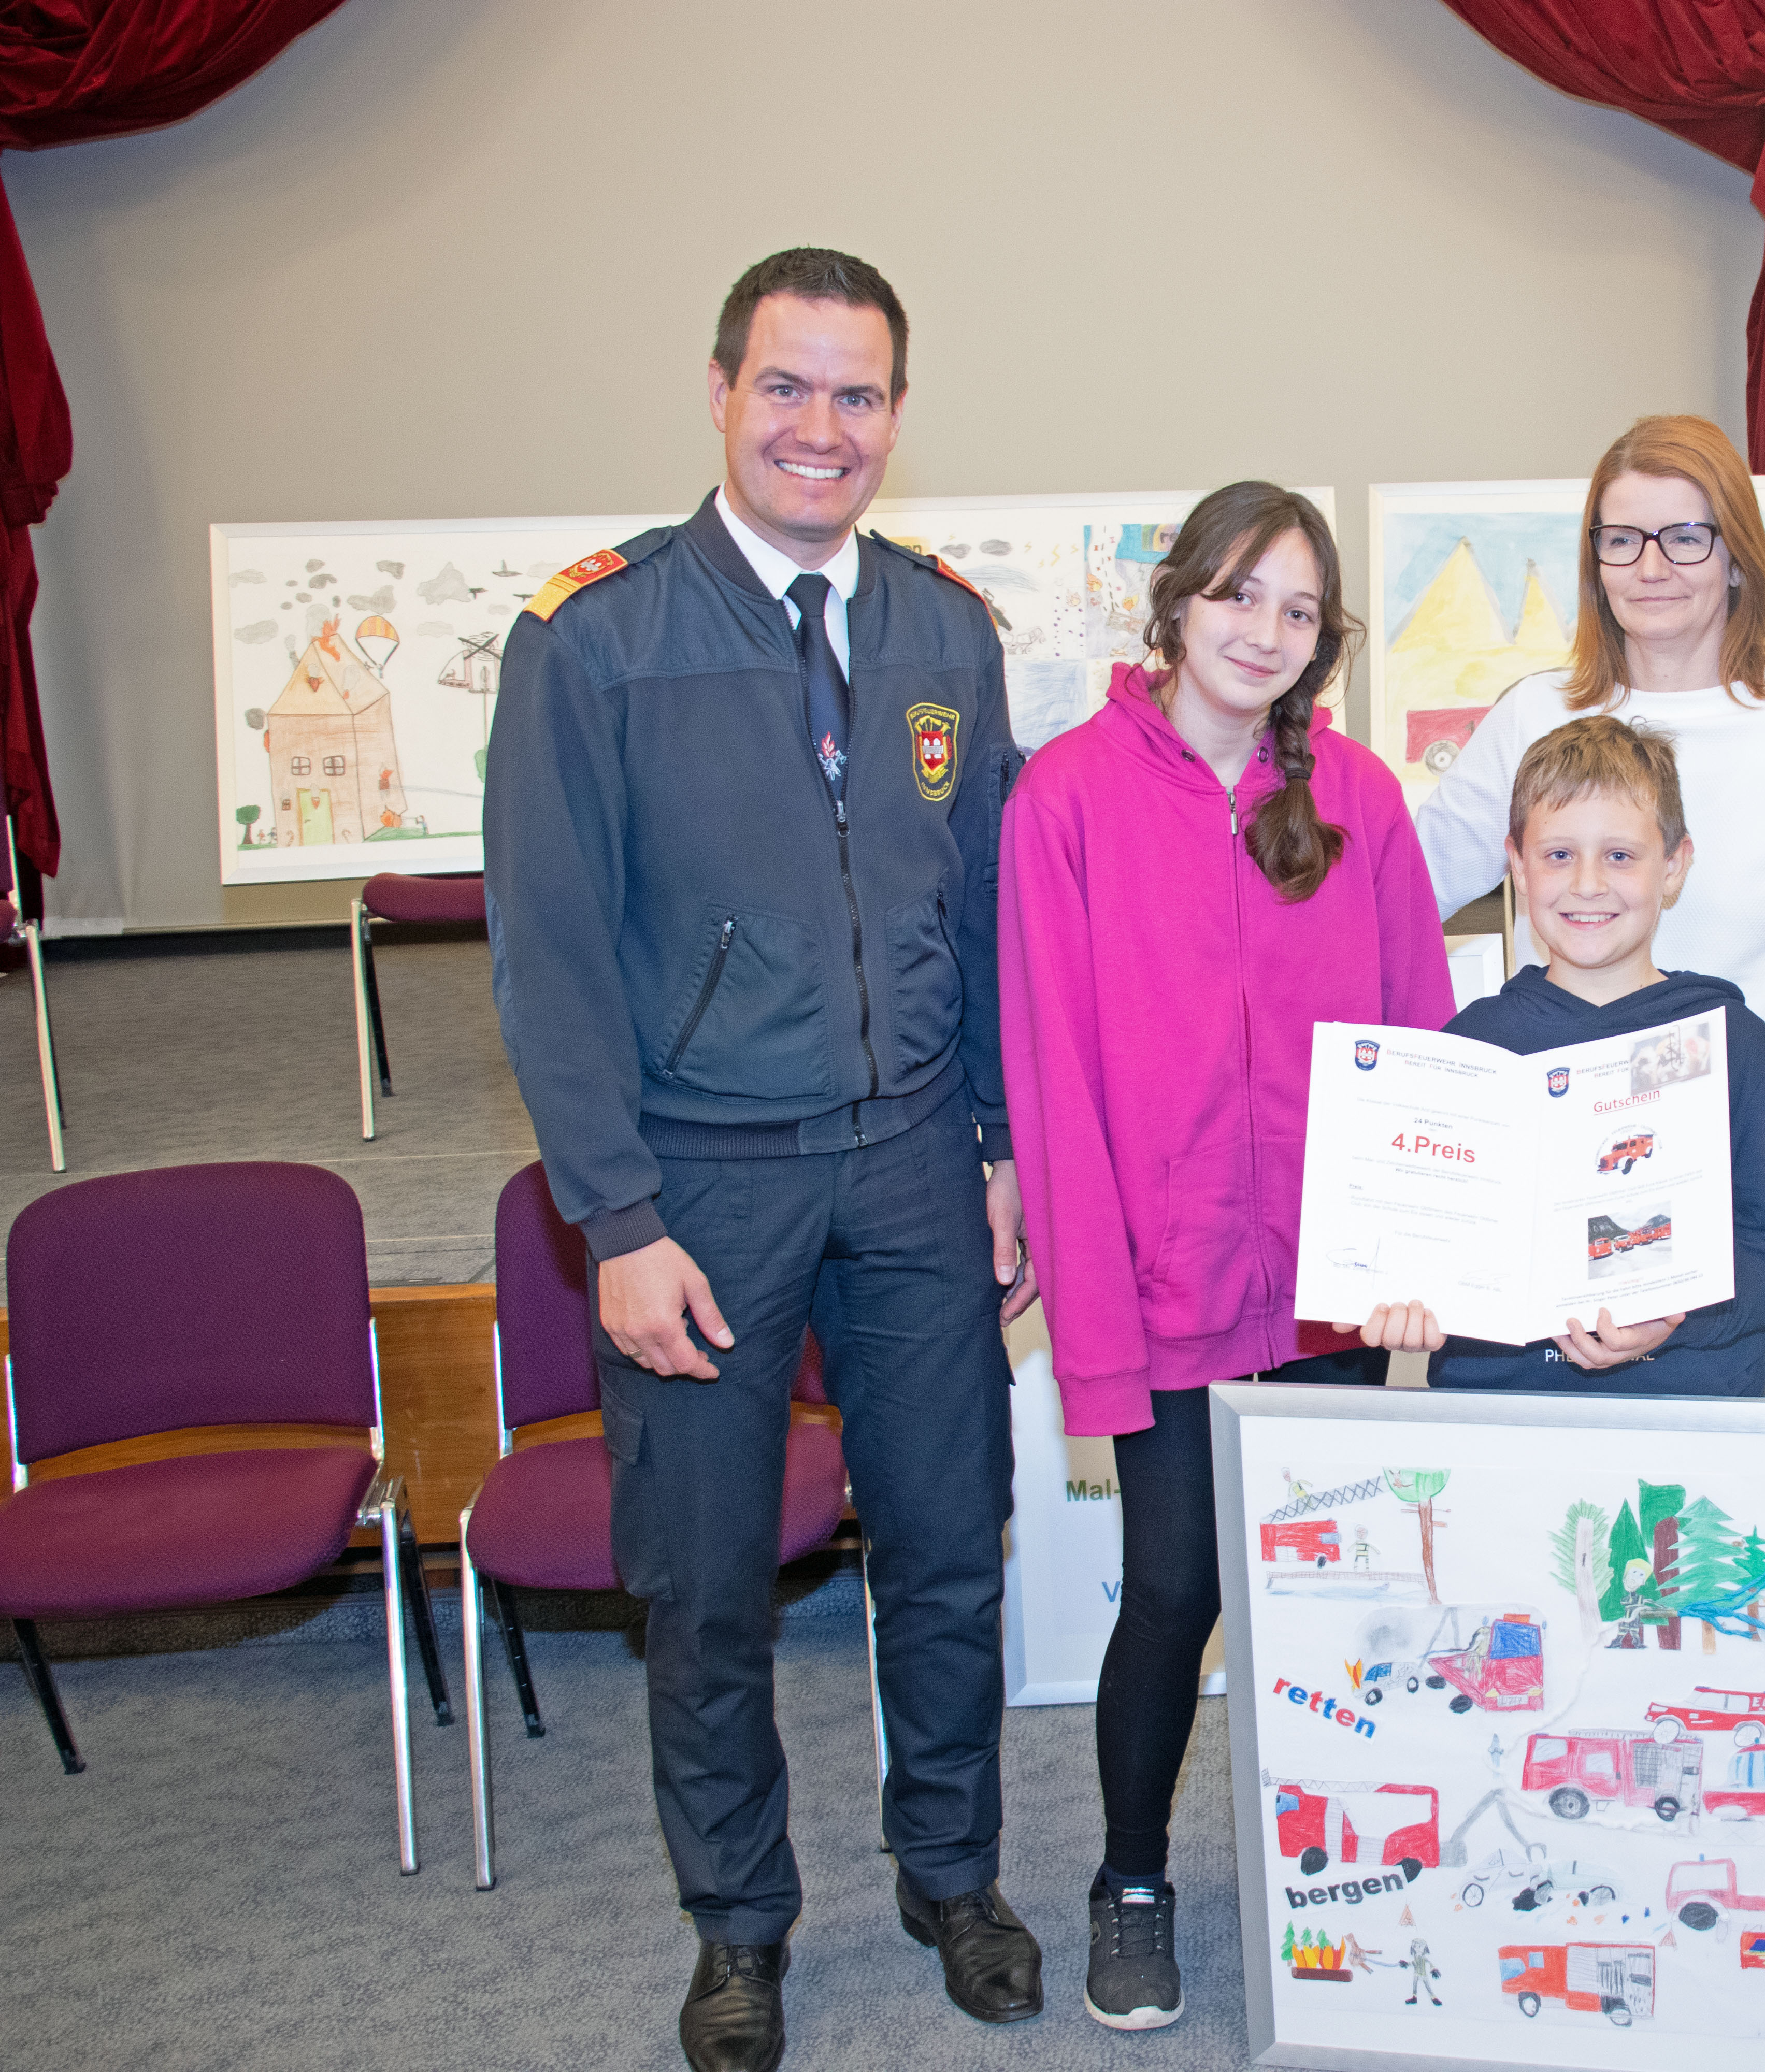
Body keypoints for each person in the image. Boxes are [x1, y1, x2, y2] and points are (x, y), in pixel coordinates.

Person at [486, 248, 1038, 2072]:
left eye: (858, 395)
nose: (822, 429)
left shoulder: (949, 631)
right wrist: (616, 1221)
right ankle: (738, 1924)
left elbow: (987, 913)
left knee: (951, 1549)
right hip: (700, 1190)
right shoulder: (597, 636)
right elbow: (549, 956)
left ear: (897, 415)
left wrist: (996, 1143)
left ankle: (951, 1873)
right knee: (709, 1586)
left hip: (914, 1171)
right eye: (787, 388)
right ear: (720, 392)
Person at [999, 483, 1452, 2029]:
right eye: (1241, 595)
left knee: (1347, 1609)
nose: (1265, 632)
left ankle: (1355, 1890)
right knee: (1178, 1588)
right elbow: (1053, 1069)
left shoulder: (1361, 801)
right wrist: (1095, 1303)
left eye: (1299, 611)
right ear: (1179, 601)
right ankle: (1133, 1883)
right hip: (1169, 1279)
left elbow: (1421, 1040)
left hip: (1335, 1292)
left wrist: (1420, 1258)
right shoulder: (1065, 797)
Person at [1410, 415, 1765, 1400]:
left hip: (1754, 1198)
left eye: (1687, 535)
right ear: (1594, 559)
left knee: (1760, 1537)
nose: (1653, 565)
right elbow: (1399, 894)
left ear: (1736, 555)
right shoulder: (1534, 717)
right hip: (1549, 1211)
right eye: (1622, 537)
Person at [1357, 715, 1765, 1393]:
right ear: (1516, 863)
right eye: (1558, 855)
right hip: (1511, 1429)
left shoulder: (1735, 1044)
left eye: (1621, 856)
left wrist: (1680, 1313)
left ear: (1675, 865)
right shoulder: (1468, 1053)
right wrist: (1411, 1303)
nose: (1588, 884)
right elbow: (1430, 1255)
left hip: (1692, 1425)